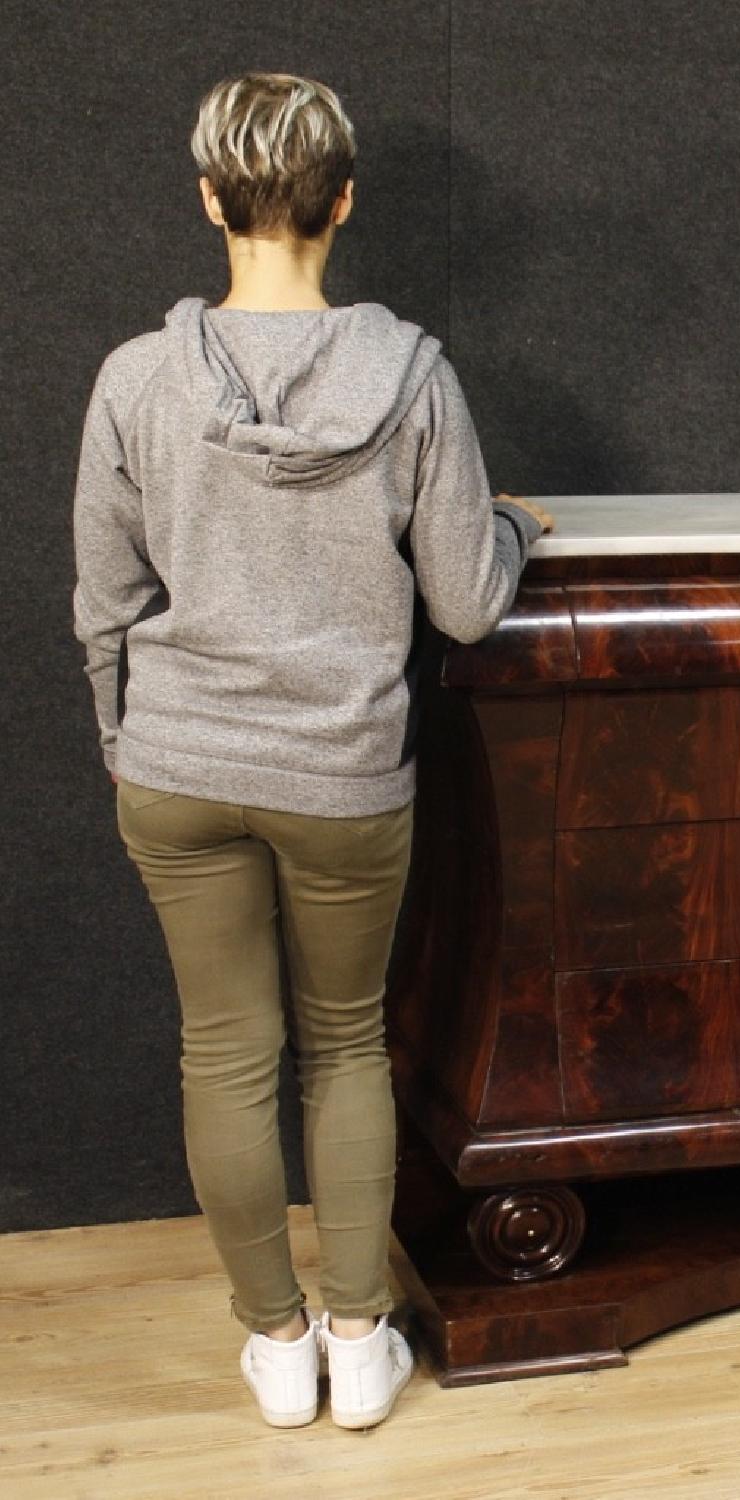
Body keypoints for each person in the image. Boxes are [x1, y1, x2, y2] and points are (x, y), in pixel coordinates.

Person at [70, 71, 553, 1430]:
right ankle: (359, 1345)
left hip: (175, 767)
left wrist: (125, 739)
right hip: (341, 774)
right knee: (347, 1047)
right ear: (342, 201)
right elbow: (466, 599)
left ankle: (275, 1351)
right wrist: (514, 529)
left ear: (213, 199)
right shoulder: (411, 379)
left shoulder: (135, 382)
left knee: (222, 1052)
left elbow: (102, 602)